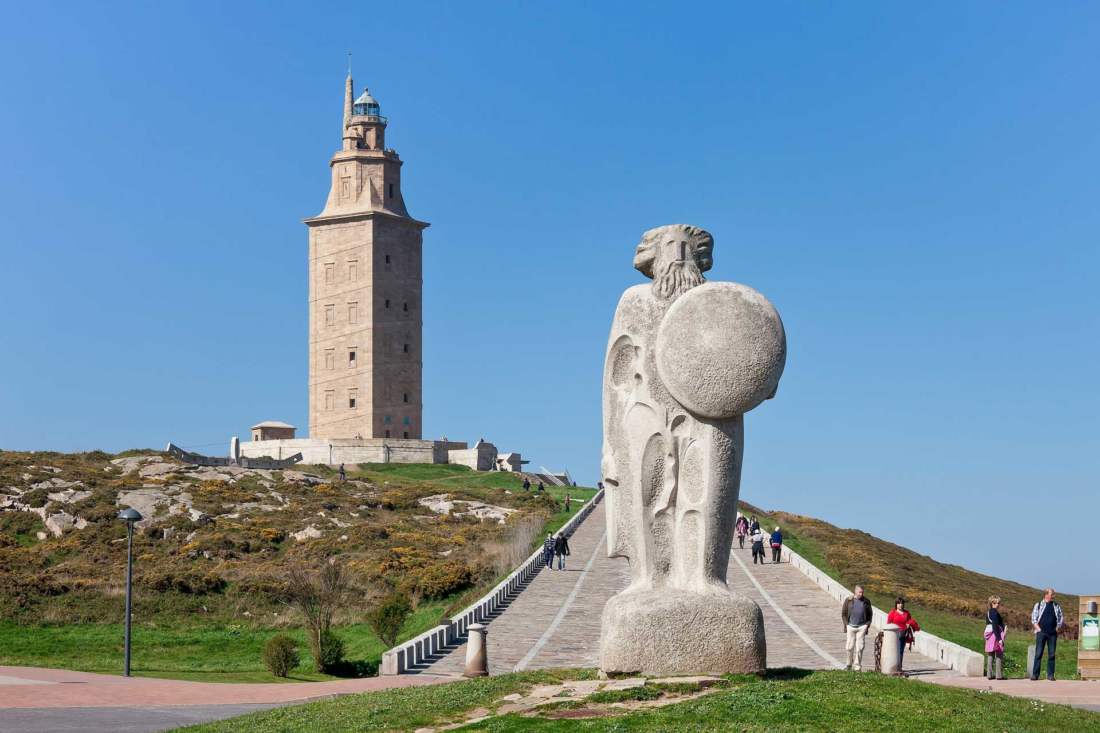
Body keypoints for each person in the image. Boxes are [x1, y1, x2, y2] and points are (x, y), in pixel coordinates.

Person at [1030, 588, 1064, 681]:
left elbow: (1061, 617)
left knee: (1052, 654)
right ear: (1046, 595)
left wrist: (1057, 628)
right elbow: (1034, 618)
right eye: (1052, 594)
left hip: (1052, 634)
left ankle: (1050, 675)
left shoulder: (1056, 605)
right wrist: (1039, 629)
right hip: (1041, 633)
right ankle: (1035, 675)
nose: (1054, 595)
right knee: (1038, 653)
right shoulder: (1039, 605)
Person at [842, 585, 873, 671]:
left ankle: (857, 666)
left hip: (862, 627)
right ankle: (848, 665)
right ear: (855, 591)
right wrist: (846, 624)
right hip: (850, 626)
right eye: (859, 592)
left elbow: (870, 614)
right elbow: (843, 613)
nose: (861, 594)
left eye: (862, 592)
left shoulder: (866, 601)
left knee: (860, 647)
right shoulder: (849, 600)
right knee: (849, 647)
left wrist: (867, 625)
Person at [887, 597, 920, 675]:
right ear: (896, 604)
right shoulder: (892, 612)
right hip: (894, 635)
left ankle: (899, 667)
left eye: (902, 603)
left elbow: (910, 620)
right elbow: (888, 624)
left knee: (901, 651)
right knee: (894, 651)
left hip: (903, 634)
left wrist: (909, 624)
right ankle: (892, 666)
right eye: (899, 603)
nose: (900, 605)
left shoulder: (906, 613)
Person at [985, 596, 1007, 680]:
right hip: (996, 635)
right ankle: (999, 675)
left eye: (998, 603)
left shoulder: (989, 612)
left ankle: (989, 674)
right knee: (999, 654)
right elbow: (995, 625)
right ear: (992, 603)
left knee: (990, 654)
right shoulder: (994, 612)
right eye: (996, 603)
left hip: (990, 635)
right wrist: (999, 639)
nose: (998, 604)